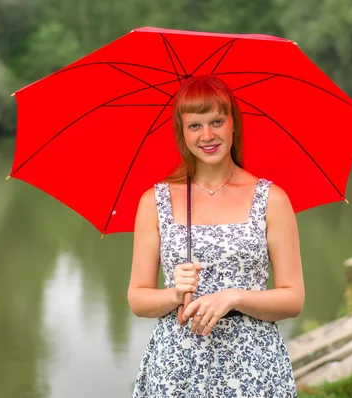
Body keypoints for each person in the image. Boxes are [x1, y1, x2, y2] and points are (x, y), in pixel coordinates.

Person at [128, 75, 304, 397]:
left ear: (233, 125)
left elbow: (293, 298)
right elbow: (137, 298)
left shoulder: (271, 199)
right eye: (194, 125)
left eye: (216, 121)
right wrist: (173, 294)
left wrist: (233, 296)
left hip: (253, 364)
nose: (207, 135)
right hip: (177, 365)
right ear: (182, 133)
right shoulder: (155, 201)